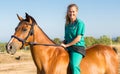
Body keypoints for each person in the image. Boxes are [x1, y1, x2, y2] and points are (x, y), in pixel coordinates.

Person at [61, 4, 86, 74]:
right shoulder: (67, 24)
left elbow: (78, 38)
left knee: (74, 65)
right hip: (68, 47)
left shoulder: (80, 23)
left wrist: (66, 45)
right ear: (67, 12)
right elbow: (66, 38)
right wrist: (62, 43)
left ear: (77, 12)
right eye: (70, 11)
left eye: (73, 11)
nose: (71, 13)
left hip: (77, 48)